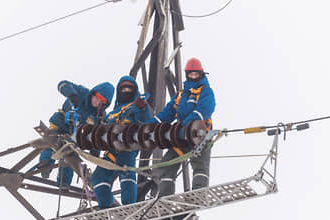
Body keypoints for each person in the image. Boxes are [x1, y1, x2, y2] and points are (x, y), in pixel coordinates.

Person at [147, 57, 216, 196]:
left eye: (196, 74)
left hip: (199, 135)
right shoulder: (181, 95)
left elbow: (204, 109)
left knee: (200, 166)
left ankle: (198, 195)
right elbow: (168, 112)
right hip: (181, 136)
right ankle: (165, 198)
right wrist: (151, 124)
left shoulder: (205, 91)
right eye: (190, 74)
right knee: (167, 164)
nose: (193, 77)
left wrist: (185, 124)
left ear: (201, 74)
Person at [38, 80, 114, 190]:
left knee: (70, 154)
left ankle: (64, 182)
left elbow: (95, 136)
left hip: (75, 135)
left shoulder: (99, 117)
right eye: (97, 97)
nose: (97, 102)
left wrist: (95, 152)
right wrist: (72, 95)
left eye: (101, 101)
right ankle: (45, 164)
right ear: (93, 93)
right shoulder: (82, 93)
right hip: (60, 123)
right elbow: (62, 85)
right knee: (51, 140)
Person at [91, 75, 152, 209]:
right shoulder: (113, 113)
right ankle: (106, 204)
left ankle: (129, 205)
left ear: (134, 90)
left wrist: (142, 108)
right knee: (98, 177)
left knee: (126, 175)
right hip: (111, 149)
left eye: (129, 88)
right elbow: (100, 130)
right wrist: (99, 117)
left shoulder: (136, 106)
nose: (126, 90)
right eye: (123, 88)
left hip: (127, 146)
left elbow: (145, 123)